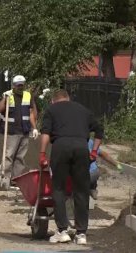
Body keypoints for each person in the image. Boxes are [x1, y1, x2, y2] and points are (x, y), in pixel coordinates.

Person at [39, 89, 104, 245]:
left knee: (59, 188)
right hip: (82, 148)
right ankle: (81, 234)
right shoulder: (83, 110)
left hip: (61, 147)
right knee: (81, 190)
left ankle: (62, 231)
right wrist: (94, 152)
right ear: (68, 99)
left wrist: (42, 154)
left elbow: (46, 133)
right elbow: (99, 131)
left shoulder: (51, 109)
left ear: (54, 100)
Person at [0, 75, 38, 184]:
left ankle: (16, 179)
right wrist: (5, 99)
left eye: (21, 85)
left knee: (20, 157)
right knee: (9, 156)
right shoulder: (8, 95)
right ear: (13, 85)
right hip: (11, 131)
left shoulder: (28, 96)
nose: (20, 87)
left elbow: (31, 112)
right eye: (18, 85)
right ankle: (4, 178)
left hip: (24, 130)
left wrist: (34, 128)